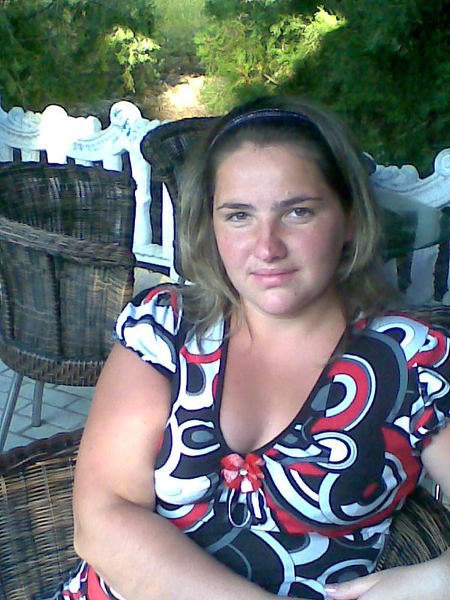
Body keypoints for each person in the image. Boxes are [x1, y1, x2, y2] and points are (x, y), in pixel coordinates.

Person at [56, 95, 450, 599]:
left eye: (298, 212)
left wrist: (432, 582)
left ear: (350, 218)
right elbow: (101, 520)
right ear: (211, 226)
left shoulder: (412, 361)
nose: (267, 248)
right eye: (239, 215)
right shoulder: (164, 328)